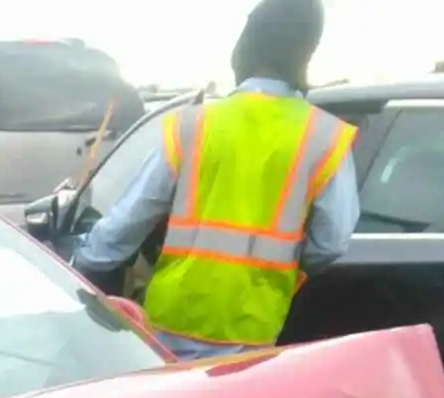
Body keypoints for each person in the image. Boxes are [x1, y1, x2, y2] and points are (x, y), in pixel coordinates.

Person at [71, 0, 359, 359]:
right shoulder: (326, 137)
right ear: (307, 51)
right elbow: (329, 244)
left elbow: (128, 221)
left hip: (174, 322)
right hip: (255, 325)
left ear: (245, 46)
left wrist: (80, 262)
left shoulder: (193, 125)